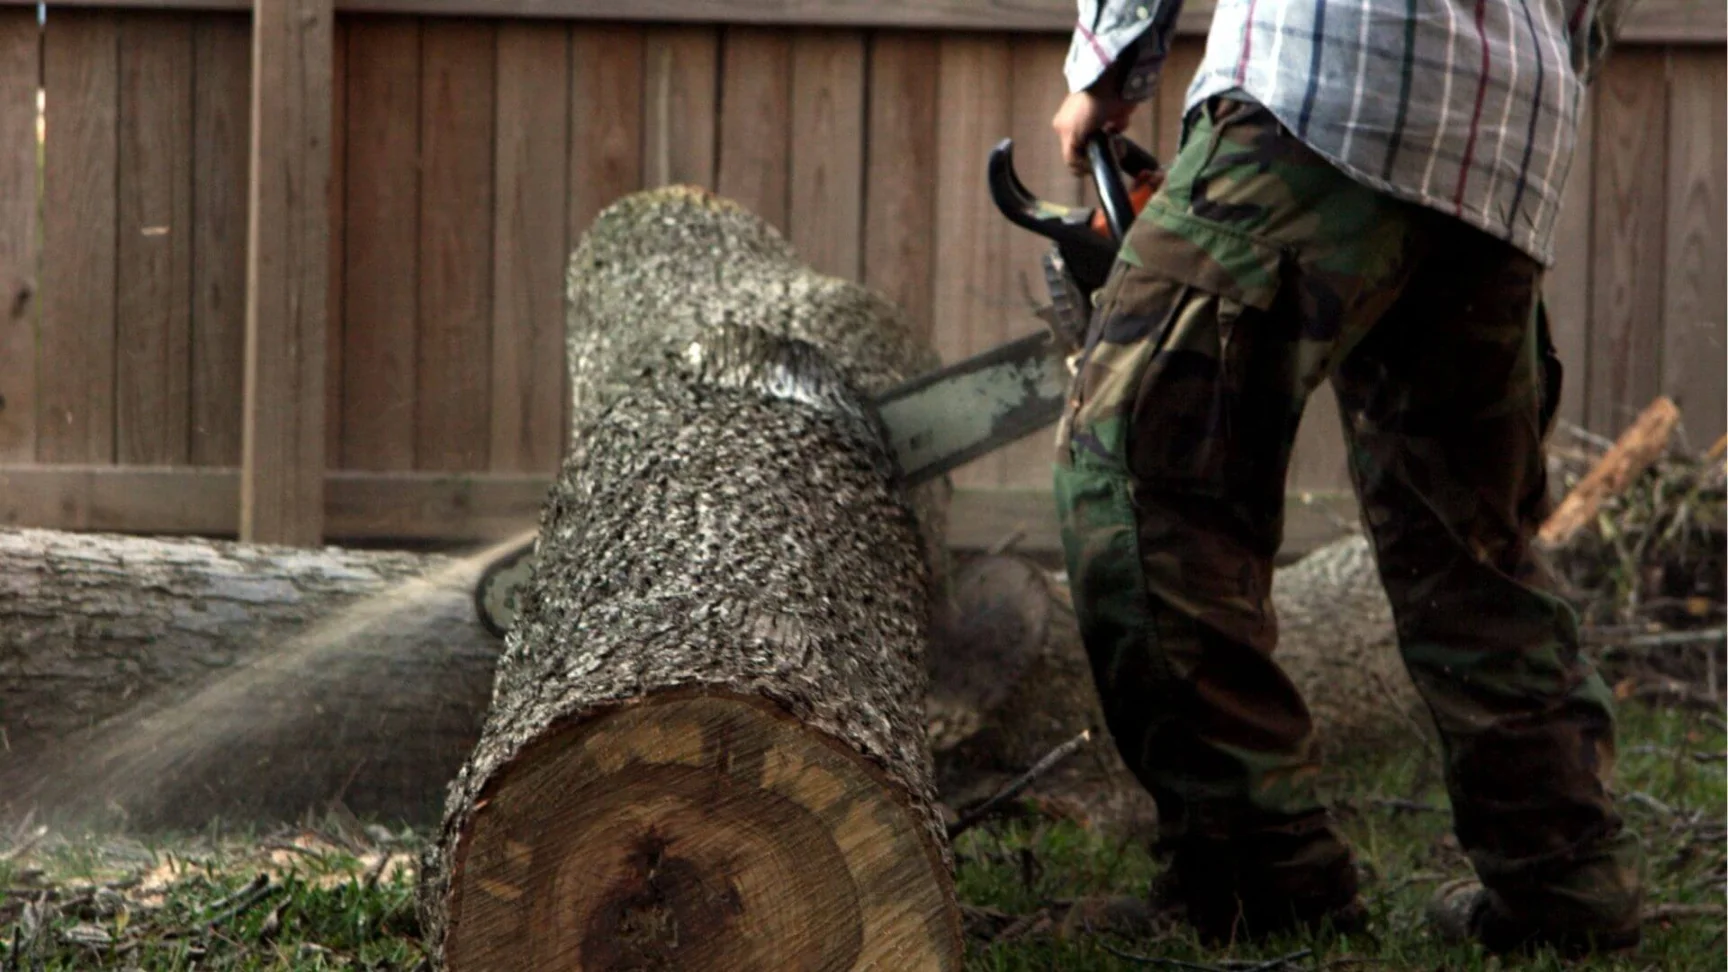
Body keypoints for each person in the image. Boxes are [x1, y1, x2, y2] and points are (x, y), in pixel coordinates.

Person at [1048, 0, 1643, 954]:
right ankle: (1565, 890)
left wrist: (1110, 58)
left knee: (1135, 478)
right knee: (1472, 553)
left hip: (1324, 79)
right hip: (1506, 136)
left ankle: (1256, 880)